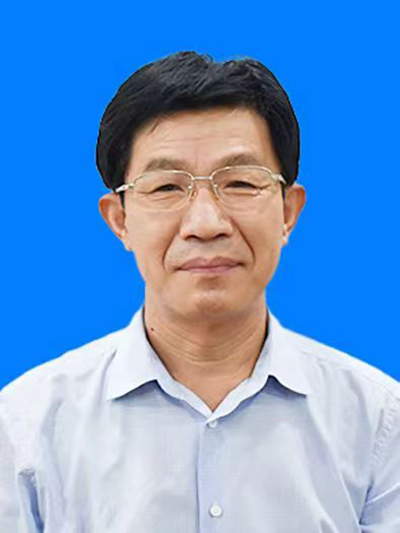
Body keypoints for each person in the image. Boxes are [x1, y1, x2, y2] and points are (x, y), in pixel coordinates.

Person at [0, 51, 399, 533]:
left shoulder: (379, 422)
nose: (206, 223)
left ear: (288, 212)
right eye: (166, 187)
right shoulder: (25, 428)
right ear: (120, 219)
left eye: (241, 183)